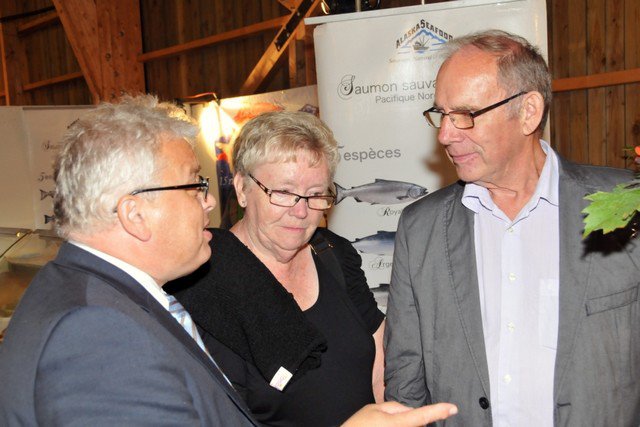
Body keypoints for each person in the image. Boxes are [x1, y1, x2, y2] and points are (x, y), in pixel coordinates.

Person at [0, 94, 457, 426]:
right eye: (192, 186)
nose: (206, 202)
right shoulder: (97, 332)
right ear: (134, 213)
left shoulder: (100, 300)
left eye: (316, 195)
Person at [384, 29, 640, 426]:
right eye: (441, 114)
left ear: (528, 112)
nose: (445, 135)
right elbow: (405, 381)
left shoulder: (626, 206)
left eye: (466, 115)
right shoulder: (421, 229)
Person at [168, 111, 385, 426]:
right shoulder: (201, 281)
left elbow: (379, 365)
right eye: (283, 193)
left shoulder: (333, 253)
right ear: (242, 189)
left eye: (315, 195)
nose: (301, 211)